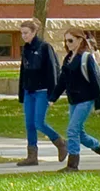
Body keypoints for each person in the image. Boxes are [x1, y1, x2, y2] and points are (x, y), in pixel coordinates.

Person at [57, 27, 100, 171]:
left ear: (79, 40)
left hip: (86, 99)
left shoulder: (86, 58)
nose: (68, 43)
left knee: (72, 130)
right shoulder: (68, 59)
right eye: (66, 41)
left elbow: (95, 82)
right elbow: (62, 81)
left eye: (71, 40)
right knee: (80, 134)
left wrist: (98, 104)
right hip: (74, 100)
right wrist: (52, 97)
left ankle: (72, 165)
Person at [15, 21, 64, 167]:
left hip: (42, 91)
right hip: (28, 91)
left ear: (34, 32)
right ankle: (32, 156)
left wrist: (53, 95)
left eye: (26, 33)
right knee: (29, 124)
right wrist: (21, 93)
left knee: (39, 122)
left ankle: (60, 143)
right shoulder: (26, 49)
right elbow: (23, 71)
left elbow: (53, 71)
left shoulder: (44, 47)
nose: (23, 36)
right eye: (22, 33)